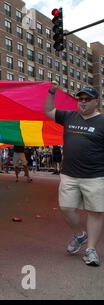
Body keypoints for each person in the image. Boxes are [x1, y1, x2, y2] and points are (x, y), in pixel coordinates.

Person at [44, 82, 104, 267]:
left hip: (95, 175)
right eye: (80, 99)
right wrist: (51, 91)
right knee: (66, 208)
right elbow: (48, 111)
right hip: (69, 175)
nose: (83, 102)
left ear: (96, 102)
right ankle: (80, 235)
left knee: (95, 212)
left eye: (87, 99)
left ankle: (91, 249)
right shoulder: (69, 116)